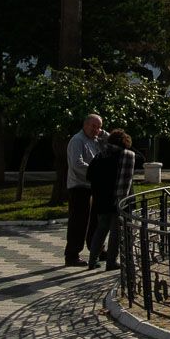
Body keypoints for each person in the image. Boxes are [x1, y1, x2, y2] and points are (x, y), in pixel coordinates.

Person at [86, 129, 136, 271]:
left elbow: (89, 176)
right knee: (116, 232)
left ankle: (92, 260)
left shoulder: (100, 155)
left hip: (100, 199)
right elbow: (126, 181)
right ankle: (111, 262)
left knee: (101, 229)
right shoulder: (126, 155)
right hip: (117, 200)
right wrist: (121, 201)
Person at [65, 114, 104, 267]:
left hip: (92, 187)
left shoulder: (95, 140)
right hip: (79, 187)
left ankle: (96, 250)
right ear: (85, 125)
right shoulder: (77, 140)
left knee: (94, 221)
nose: (96, 130)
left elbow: (109, 140)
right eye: (94, 126)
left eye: (99, 127)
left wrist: (102, 133)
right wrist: (97, 172)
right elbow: (77, 164)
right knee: (79, 222)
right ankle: (72, 255)